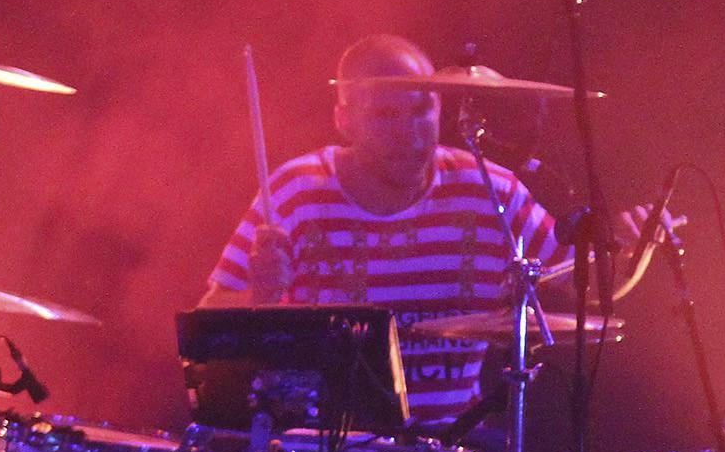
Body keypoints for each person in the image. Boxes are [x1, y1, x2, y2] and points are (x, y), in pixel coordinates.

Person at [199, 34, 561, 430]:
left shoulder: (491, 190)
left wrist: (617, 247)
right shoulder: (297, 191)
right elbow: (208, 323)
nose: (409, 132)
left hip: (458, 448)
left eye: (421, 111)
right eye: (386, 115)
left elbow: (580, 278)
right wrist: (260, 297)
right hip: (334, 451)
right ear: (344, 121)